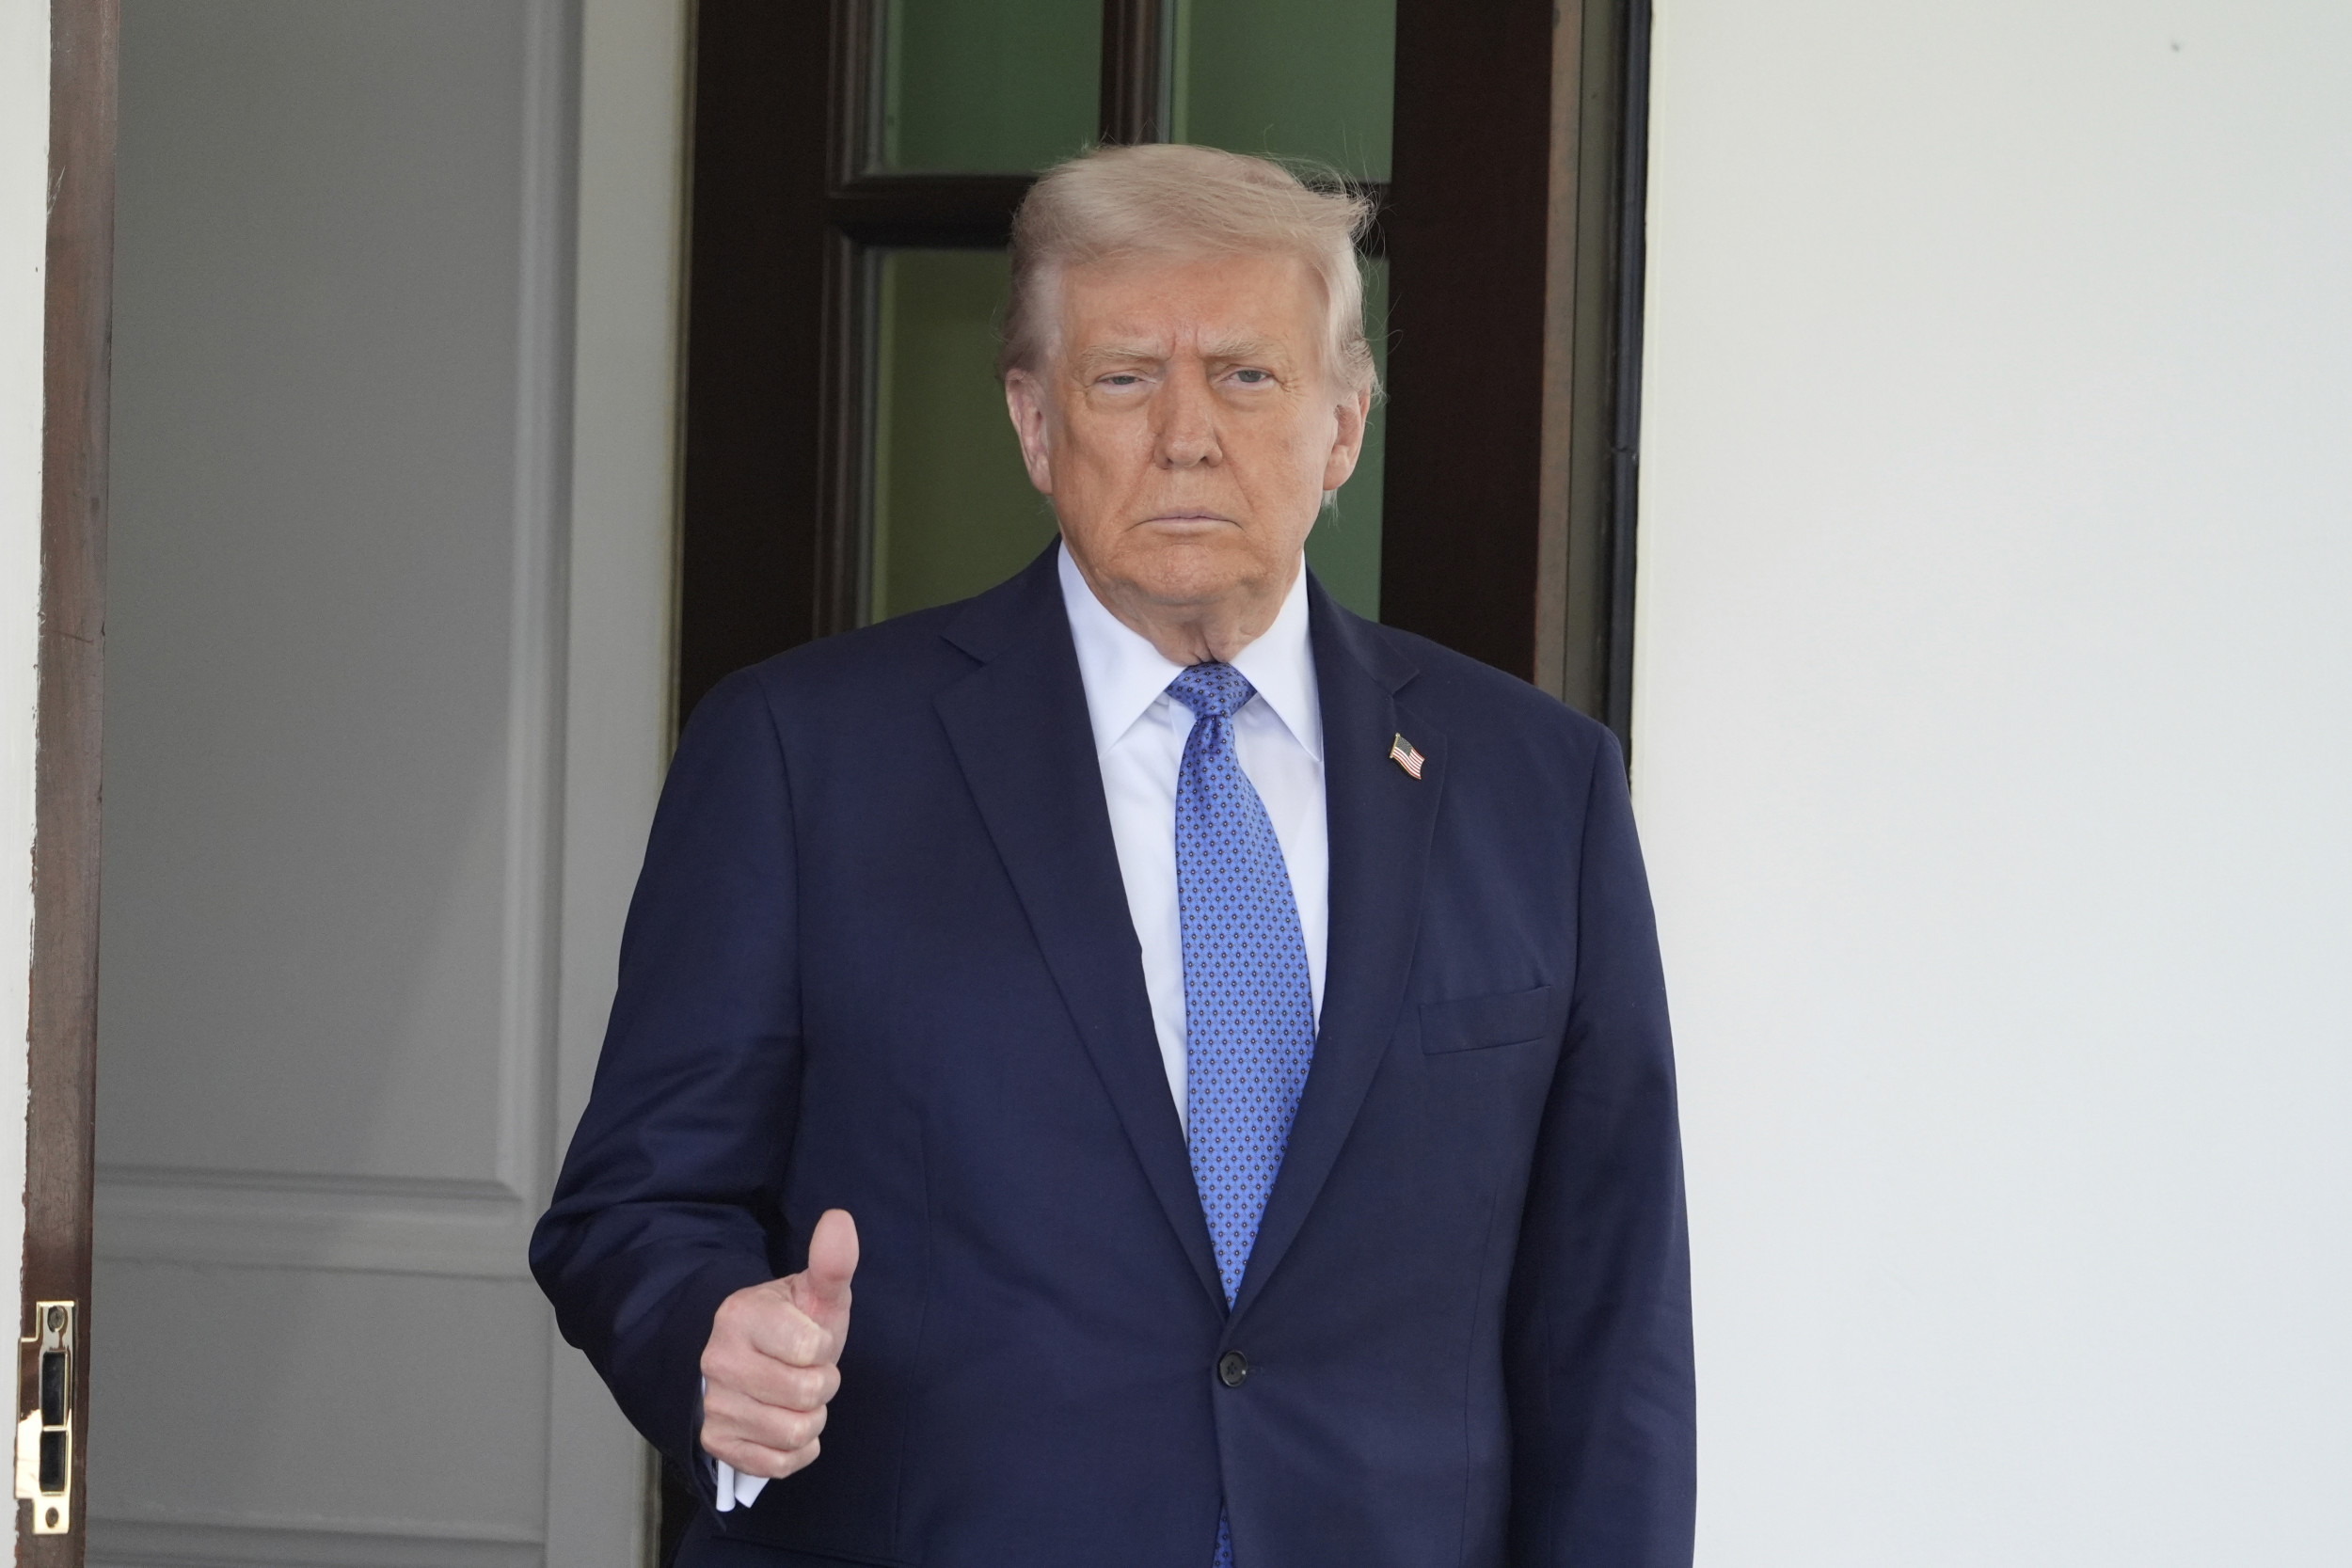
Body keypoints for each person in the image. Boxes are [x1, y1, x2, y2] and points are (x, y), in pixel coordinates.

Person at [532, 143, 1693, 1568]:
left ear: (1344, 425)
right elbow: (634, 1204)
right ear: (1035, 424)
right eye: (1127, 377)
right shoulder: (801, 755)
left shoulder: (1541, 785)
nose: (1187, 436)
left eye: (1248, 376)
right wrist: (708, 1335)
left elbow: (1612, 1313)